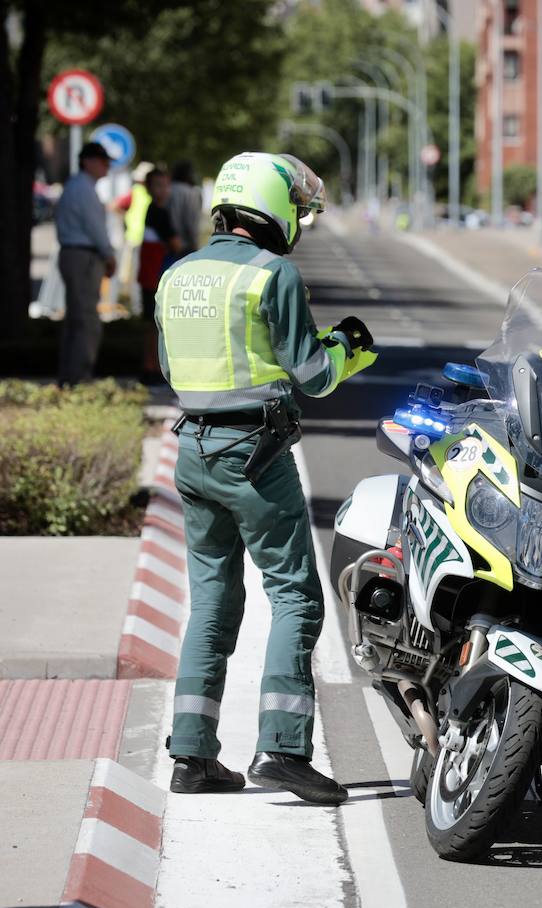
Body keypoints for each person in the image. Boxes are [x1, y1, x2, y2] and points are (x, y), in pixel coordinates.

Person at [157, 151, 377, 804]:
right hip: (254, 455)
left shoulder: (176, 276)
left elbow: (171, 371)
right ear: (274, 208)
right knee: (296, 597)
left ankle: (191, 756)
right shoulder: (271, 274)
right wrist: (349, 351)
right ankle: (282, 748)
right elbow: (312, 376)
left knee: (214, 603)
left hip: (192, 454)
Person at [54, 141, 116, 386]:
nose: (107, 167)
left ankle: (70, 376)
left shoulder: (76, 186)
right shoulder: (83, 189)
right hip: (84, 256)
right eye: (103, 161)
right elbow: (95, 227)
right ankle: (80, 378)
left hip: (75, 254)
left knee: (76, 318)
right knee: (86, 320)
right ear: (87, 161)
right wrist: (109, 255)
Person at [137, 168, 183, 384]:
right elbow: (176, 243)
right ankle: (152, 367)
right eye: (158, 185)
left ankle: (150, 365)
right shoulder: (159, 212)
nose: (163, 190)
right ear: (148, 187)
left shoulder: (152, 210)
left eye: (165, 185)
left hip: (150, 272)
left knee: (151, 322)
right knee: (155, 324)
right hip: (155, 274)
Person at [168, 159, 203, 255]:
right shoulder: (191, 193)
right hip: (185, 246)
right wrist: (195, 243)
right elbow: (191, 222)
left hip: (166, 244)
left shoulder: (168, 188)